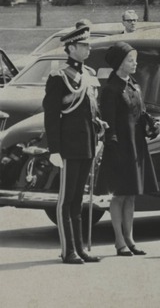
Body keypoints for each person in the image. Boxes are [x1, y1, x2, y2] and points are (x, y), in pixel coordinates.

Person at [42, 24, 102, 264]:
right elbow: (51, 115)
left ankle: (80, 248)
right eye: (84, 45)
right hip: (67, 146)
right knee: (66, 200)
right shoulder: (59, 77)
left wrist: (97, 137)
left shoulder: (89, 75)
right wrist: (54, 149)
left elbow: (93, 113)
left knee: (78, 198)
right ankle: (68, 250)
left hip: (87, 144)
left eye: (88, 44)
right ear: (71, 48)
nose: (88, 48)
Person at [100, 42, 160, 257]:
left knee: (131, 195)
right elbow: (108, 123)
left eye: (135, 58)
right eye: (130, 59)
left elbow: (141, 112)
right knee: (119, 194)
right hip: (119, 147)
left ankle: (130, 238)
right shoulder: (110, 89)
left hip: (136, 145)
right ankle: (119, 240)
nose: (135, 62)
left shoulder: (134, 85)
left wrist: (152, 124)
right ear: (119, 63)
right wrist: (113, 147)